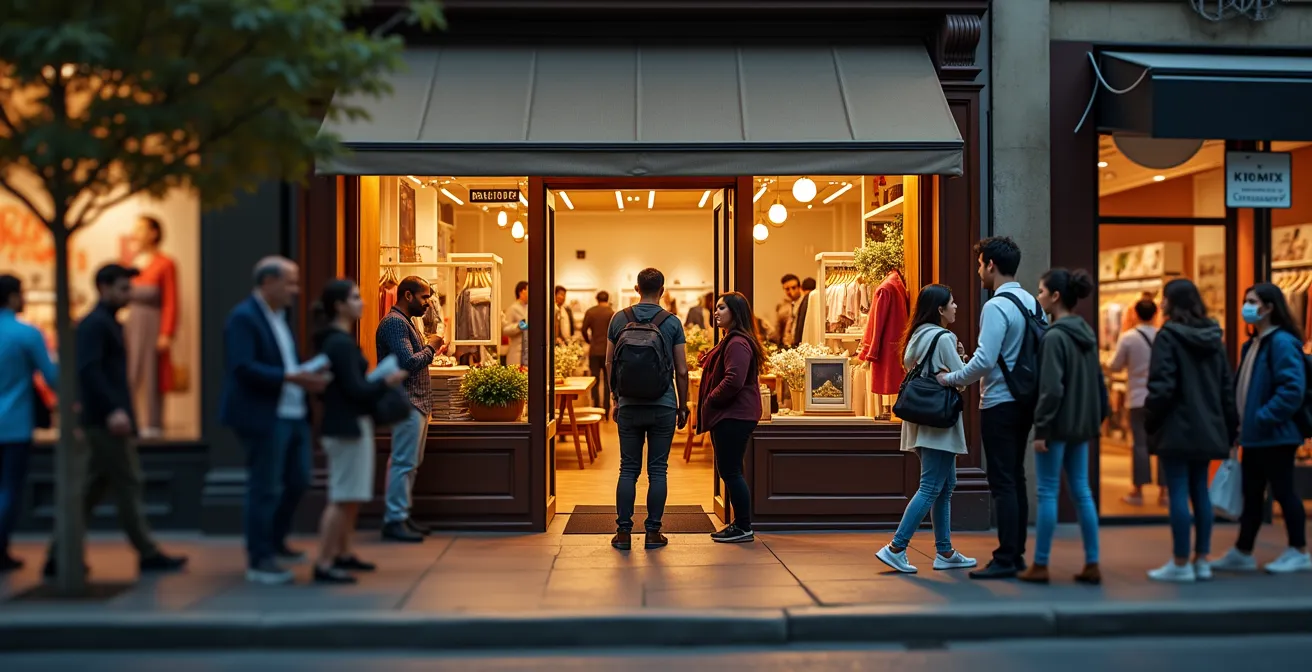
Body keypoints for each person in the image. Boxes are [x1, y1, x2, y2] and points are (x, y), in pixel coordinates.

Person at [46, 264, 188, 578]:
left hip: (103, 419)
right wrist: (113, 410)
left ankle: (60, 553)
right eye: (124, 288)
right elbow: (90, 371)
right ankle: (146, 551)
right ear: (104, 288)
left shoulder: (105, 323)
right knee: (127, 482)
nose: (129, 294)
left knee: (91, 489)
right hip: (104, 422)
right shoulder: (95, 325)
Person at [220, 256, 330, 585]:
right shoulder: (243, 317)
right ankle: (260, 558)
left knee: (298, 479)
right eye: (290, 282)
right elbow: (242, 367)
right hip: (264, 414)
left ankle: (277, 541)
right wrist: (292, 377)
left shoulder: (279, 316)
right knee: (264, 486)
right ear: (268, 282)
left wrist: (306, 373)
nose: (295, 290)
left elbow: (286, 362)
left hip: (293, 413)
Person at [937, 236, 1042, 580]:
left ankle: (1007, 557)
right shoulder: (1030, 302)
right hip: (1025, 399)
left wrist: (952, 378)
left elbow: (985, 360)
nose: (978, 271)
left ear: (991, 265)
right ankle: (1016, 553)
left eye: (980, 264)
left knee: (1002, 481)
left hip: (999, 401)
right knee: (1016, 477)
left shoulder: (997, 305)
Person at [1211, 283, 1311, 575]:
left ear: (1269, 307)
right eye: (1246, 301)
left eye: (1252, 301)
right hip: (1255, 435)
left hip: (1276, 435)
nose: (1247, 307)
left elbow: (1292, 389)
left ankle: (1299, 550)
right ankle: (1243, 550)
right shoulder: (1253, 343)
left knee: (1283, 492)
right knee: (1252, 493)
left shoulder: (1281, 343)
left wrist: (1263, 417)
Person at [875, 284, 976, 574]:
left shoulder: (916, 336)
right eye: (952, 302)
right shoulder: (944, 337)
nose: (956, 307)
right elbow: (962, 380)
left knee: (945, 486)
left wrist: (954, 366)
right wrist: (959, 366)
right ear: (940, 309)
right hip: (939, 423)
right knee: (932, 486)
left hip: (919, 421)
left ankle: (944, 551)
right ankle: (896, 547)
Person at [313, 279, 409, 583]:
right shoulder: (338, 343)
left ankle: (343, 552)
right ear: (339, 305)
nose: (362, 302)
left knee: (351, 495)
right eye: (355, 297)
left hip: (351, 423)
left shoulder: (338, 341)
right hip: (346, 426)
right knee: (343, 496)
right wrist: (385, 381)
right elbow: (355, 388)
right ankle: (325, 561)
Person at [1143, 279, 1237, 582]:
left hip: (1176, 426)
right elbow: (1226, 387)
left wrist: (1151, 419)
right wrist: (1230, 426)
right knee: (1201, 492)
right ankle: (1202, 560)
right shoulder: (1214, 337)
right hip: (1209, 426)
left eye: (1164, 298)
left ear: (1172, 302)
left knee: (1179, 493)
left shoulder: (1167, 337)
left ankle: (1180, 561)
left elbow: (1162, 386)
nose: (1161, 303)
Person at [1021, 268, 1103, 585]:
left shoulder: (1055, 337)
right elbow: (1097, 383)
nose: (1038, 296)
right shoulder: (1087, 334)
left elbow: (1052, 389)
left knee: (1047, 493)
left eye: (1041, 291)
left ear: (1055, 296)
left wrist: (1041, 429)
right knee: (1082, 492)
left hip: (1055, 428)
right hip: (1081, 426)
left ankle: (1040, 564)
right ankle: (1092, 562)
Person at [607, 267, 690, 551]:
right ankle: (653, 533)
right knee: (658, 470)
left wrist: (615, 398)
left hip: (629, 405)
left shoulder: (619, 318)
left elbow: (610, 363)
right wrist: (683, 405)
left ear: (636, 288)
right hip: (663, 406)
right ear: (662, 291)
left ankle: (623, 533)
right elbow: (681, 369)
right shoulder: (672, 322)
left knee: (628, 469)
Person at [375, 276, 443, 543]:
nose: (428, 303)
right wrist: (432, 347)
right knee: (403, 463)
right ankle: (394, 520)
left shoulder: (406, 322)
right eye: (424, 297)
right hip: (406, 402)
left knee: (410, 464)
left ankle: (401, 516)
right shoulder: (394, 323)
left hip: (416, 402)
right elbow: (406, 363)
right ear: (407, 295)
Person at [0, 275, 58, 571]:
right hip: (14, 424)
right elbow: (53, 376)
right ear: (11, 297)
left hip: (14, 423)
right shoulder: (26, 334)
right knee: (9, 487)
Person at [696, 292, 765, 543]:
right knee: (732, 470)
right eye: (716, 308)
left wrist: (711, 399)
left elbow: (734, 379)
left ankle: (743, 526)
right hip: (733, 415)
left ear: (735, 312)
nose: (716, 312)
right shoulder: (732, 340)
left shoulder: (737, 342)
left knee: (731, 471)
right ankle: (740, 524)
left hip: (733, 415)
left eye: (722, 308)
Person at [124, 215, 177, 439]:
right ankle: (130, 418)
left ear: (154, 233)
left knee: (151, 371)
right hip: (131, 322)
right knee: (130, 370)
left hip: (152, 322)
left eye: (141, 229)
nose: (136, 234)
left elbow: (171, 300)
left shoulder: (165, 263)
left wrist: (166, 332)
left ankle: (152, 423)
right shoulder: (134, 263)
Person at [1106, 298, 1163, 506]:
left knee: (1139, 443)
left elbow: (1115, 365)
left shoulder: (1128, 338)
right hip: (1160, 397)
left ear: (1135, 314)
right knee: (1160, 443)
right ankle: (1164, 492)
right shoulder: (1162, 336)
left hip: (1137, 397)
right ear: (1156, 314)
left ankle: (1138, 491)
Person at [581, 291, 616, 410]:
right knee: (607, 381)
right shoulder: (611, 313)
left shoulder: (590, 312)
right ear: (607, 299)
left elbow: (584, 329)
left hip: (594, 350)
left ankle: (595, 406)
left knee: (594, 380)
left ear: (597, 299)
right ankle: (606, 408)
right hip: (608, 351)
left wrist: (590, 341)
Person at [503, 281, 529, 367]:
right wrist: (519, 326)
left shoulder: (529, 308)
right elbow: (505, 330)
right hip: (517, 352)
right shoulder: (512, 308)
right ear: (521, 292)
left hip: (528, 352)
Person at [775, 274, 802, 347]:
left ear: (799, 287)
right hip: (785, 344)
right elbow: (778, 327)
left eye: (793, 288)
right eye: (787, 289)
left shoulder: (804, 303)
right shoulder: (782, 305)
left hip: (799, 343)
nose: (791, 291)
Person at [791, 277, 816, 347]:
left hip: (803, 340)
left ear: (801, 288)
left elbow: (801, 322)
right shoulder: (817, 298)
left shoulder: (805, 299)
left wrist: (797, 341)